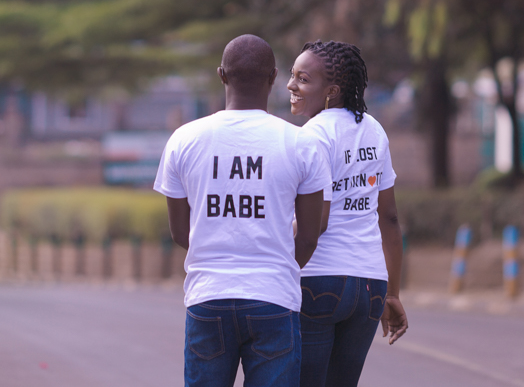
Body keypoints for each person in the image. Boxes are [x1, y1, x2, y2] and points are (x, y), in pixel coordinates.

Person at [155, 34, 330, 387]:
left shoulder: (184, 140)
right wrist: (273, 265)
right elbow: (311, 234)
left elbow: (179, 233)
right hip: (273, 299)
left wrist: (220, 253)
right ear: (274, 78)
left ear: (222, 75)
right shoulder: (300, 143)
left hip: (208, 298)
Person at [286, 40, 408, 387]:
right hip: (369, 286)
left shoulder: (312, 135)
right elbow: (390, 219)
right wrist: (392, 293)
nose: (291, 86)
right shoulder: (374, 130)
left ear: (332, 90)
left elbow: (316, 224)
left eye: (303, 79)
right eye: (293, 76)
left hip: (318, 279)